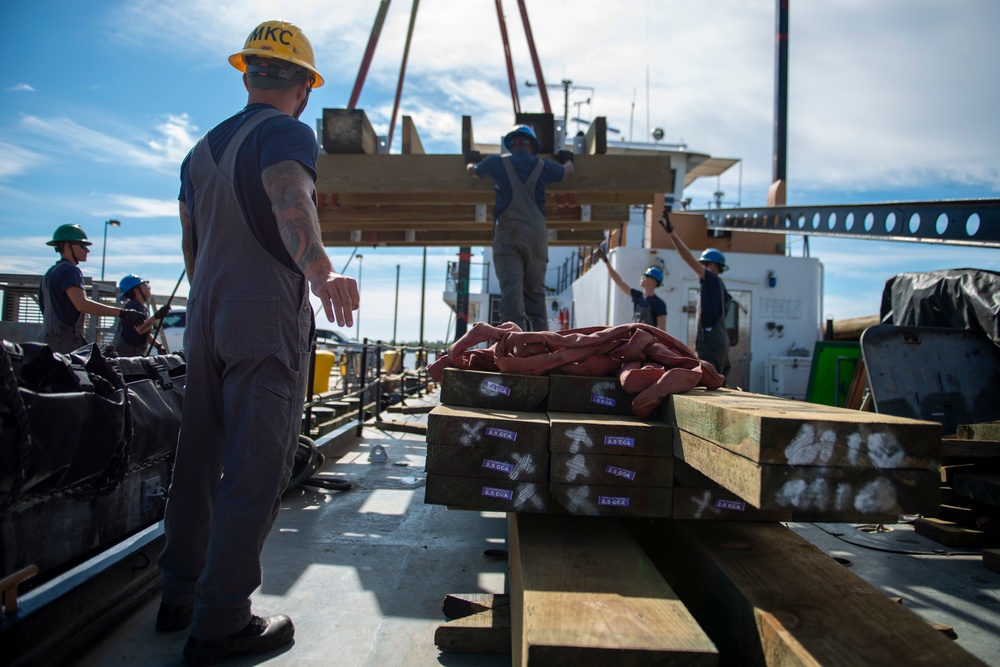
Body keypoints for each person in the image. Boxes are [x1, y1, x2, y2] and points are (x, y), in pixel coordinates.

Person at [157, 20, 360, 666]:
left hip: (205, 311)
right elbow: (289, 197)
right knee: (255, 465)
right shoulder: (287, 132)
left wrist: (211, 297)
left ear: (248, 74)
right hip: (261, 313)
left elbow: (191, 245)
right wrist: (322, 271)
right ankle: (221, 620)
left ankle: (178, 595)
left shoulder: (198, 151)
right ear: (303, 86)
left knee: (197, 459)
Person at [465, 125, 574, 331]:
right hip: (536, 236)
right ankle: (541, 346)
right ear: (531, 146)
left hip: (508, 234)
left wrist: (470, 161)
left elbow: (474, 171)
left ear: (510, 145)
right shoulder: (544, 166)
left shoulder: (497, 162)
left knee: (511, 293)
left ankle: (515, 347)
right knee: (535, 294)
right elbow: (567, 171)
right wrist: (569, 158)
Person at [39, 224, 146, 354]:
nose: (87, 250)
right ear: (67, 246)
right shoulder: (70, 271)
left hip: (47, 343)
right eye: (82, 246)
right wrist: (123, 313)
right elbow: (82, 304)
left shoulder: (49, 274)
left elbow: (45, 308)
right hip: (65, 345)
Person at [661, 210, 732, 377]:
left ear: (713, 266)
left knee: (707, 381)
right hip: (721, 342)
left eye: (705, 264)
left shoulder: (712, 281)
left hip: (712, 344)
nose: (702, 267)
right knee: (718, 382)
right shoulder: (721, 289)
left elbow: (688, 259)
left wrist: (672, 235)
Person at [597, 249, 667, 329]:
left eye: (646, 276)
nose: (642, 278)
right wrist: (606, 262)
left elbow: (662, 330)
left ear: (654, 281)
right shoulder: (637, 296)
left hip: (648, 341)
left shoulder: (659, 304)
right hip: (634, 337)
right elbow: (619, 282)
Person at [112, 274, 170, 356]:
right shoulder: (133, 306)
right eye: (145, 284)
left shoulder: (142, 307)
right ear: (136, 290)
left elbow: (144, 330)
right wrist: (156, 316)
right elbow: (140, 329)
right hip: (125, 356)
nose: (149, 287)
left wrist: (158, 346)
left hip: (130, 355)